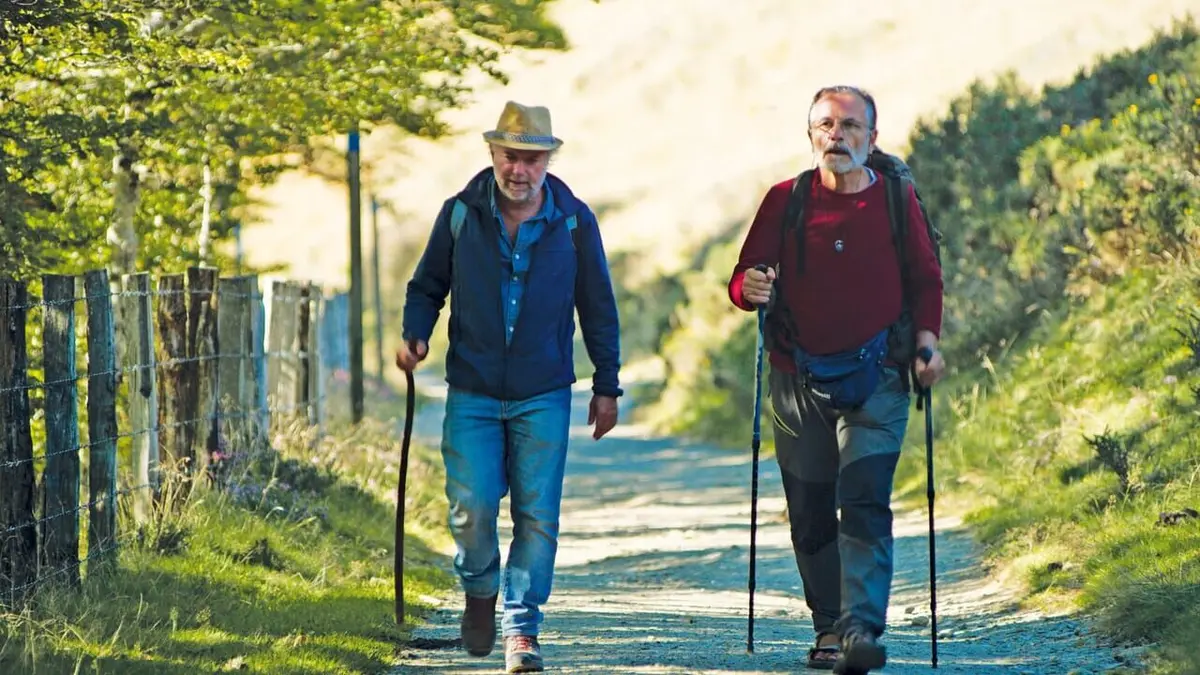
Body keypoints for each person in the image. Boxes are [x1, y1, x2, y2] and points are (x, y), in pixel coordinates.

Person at [396, 100, 623, 673]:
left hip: (544, 391)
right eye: (509, 157)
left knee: (537, 514)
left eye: (530, 159)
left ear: (547, 160)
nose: (518, 169)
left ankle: (522, 628)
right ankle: (479, 589)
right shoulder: (460, 214)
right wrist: (416, 335)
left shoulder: (574, 221)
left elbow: (597, 305)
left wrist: (607, 384)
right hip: (471, 389)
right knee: (469, 508)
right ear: (493, 155)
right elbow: (427, 286)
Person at [727, 85, 945, 673]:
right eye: (826, 124)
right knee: (810, 510)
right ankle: (828, 626)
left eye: (850, 126)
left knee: (866, 498)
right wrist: (748, 287)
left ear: (873, 138)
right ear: (810, 134)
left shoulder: (897, 200)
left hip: (881, 376)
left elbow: (926, 281)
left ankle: (860, 631)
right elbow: (742, 280)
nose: (837, 135)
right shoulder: (785, 200)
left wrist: (927, 345)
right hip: (797, 378)